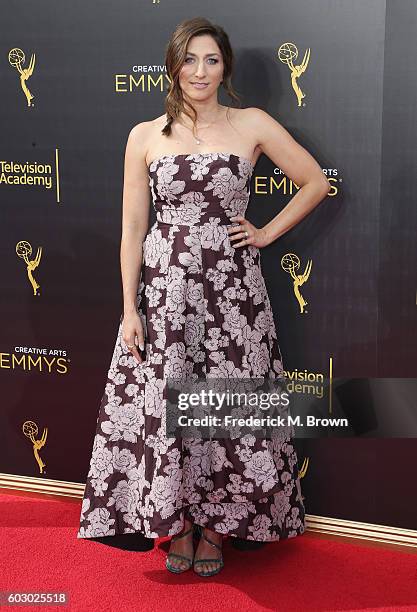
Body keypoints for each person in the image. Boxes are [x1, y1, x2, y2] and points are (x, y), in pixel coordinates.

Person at [77, 16, 330, 578]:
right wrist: (129, 309)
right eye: (189, 59)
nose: (200, 71)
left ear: (225, 68)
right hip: (165, 295)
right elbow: (132, 229)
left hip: (233, 295)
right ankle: (180, 524)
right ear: (172, 65)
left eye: (211, 60)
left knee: (227, 405)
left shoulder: (252, 123)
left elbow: (315, 182)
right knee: (173, 409)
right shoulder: (145, 135)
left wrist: (265, 233)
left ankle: (216, 527)